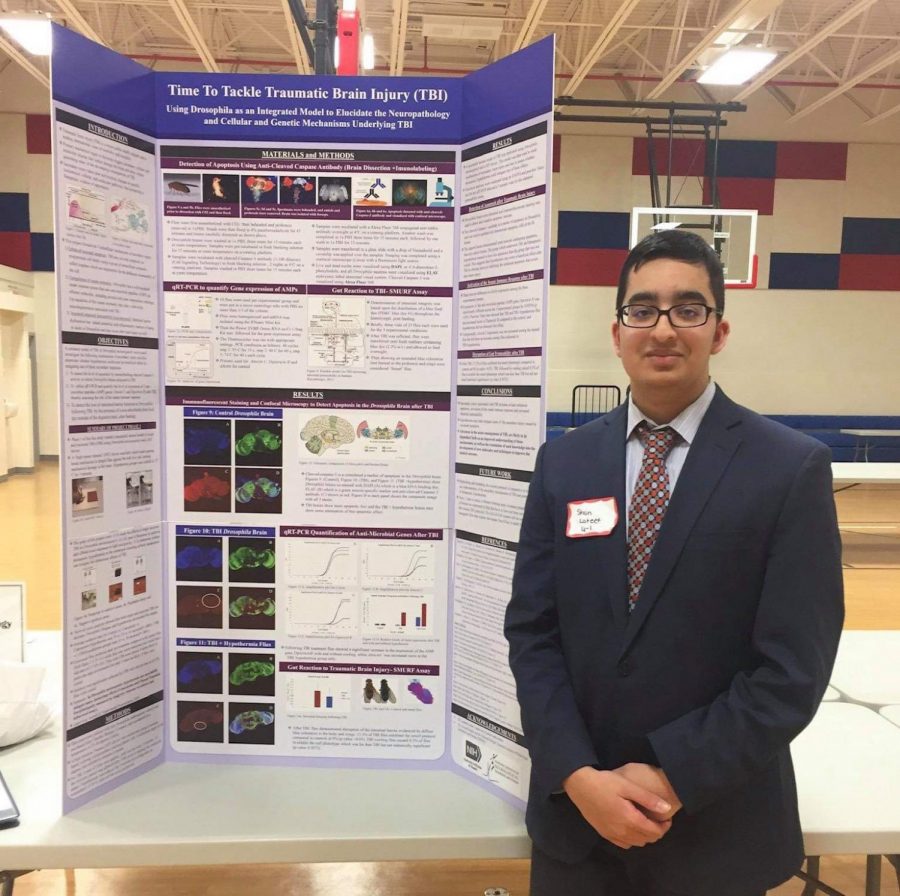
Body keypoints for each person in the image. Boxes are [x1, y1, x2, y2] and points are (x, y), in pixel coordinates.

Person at [505, 230, 844, 896]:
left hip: (716, 830)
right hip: (580, 826)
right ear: (617, 330)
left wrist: (668, 776)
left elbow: (791, 670)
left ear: (718, 331)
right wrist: (578, 775)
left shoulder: (788, 470)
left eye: (688, 309)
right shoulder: (565, 464)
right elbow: (533, 635)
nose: (663, 328)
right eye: (643, 309)